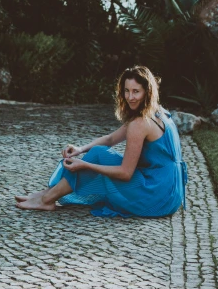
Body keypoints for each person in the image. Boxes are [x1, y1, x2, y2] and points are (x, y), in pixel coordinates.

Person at [14, 65, 187, 218]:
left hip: (156, 197)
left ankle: (47, 199)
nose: (130, 97)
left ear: (147, 92)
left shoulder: (140, 123)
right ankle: (48, 193)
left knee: (97, 156)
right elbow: (111, 139)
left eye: (136, 91)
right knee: (98, 153)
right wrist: (81, 150)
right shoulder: (158, 112)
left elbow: (126, 173)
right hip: (170, 191)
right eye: (127, 91)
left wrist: (86, 165)